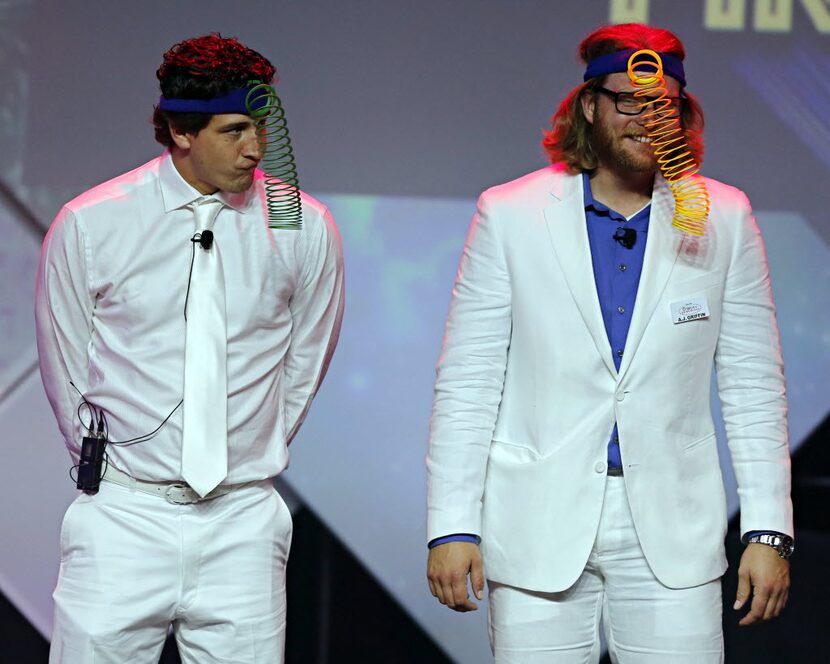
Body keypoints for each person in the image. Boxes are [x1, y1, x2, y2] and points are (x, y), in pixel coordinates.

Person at [426, 23, 792, 663]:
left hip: (673, 531)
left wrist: (769, 528)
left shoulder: (723, 215)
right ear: (589, 106)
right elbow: (468, 381)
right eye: (630, 100)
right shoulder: (510, 214)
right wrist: (451, 524)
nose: (647, 119)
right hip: (535, 524)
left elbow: (753, 382)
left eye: (663, 105)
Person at [35, 33, 344, 663]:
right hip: (123, 516)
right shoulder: (93, 221)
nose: (255, 147)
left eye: (260, 125)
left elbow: (306, 361)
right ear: (180, 132)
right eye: (234, 130)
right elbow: (66, 367)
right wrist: (119, 470)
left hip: (243, 520)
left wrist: (245, 451)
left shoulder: (301, 222)